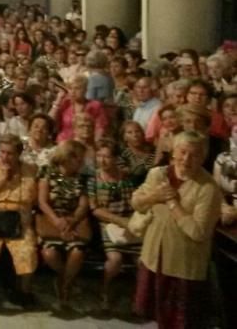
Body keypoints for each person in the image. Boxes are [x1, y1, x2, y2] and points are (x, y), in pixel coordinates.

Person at [132, 131, 223, 329]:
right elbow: (137, 203)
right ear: (173, 152)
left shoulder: (208, 188)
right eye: (182, 152)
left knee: (180, 323)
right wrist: (153, 197)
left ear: (203, 157)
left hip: (183, 268)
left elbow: (199, 232)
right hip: (154, 259)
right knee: (158, 318)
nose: (187, 159)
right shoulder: (158, 174)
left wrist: (173, 203)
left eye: (195, 154)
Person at [0, 134, 38, 308]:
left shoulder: (30, 169)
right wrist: (3, 179)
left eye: (10, 153)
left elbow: (32, 197)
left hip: (20, 218)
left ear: (18, 154)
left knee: (28, 252)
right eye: (2, 152)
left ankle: (24, 292)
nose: (5, 157)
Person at [37, 139, 91, 312]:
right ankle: (66, 278)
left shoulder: (81, 178)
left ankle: (64, 288)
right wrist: (56, 221)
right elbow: (42, 201)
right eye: (79, 158)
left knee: (77, 252)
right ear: (68, 157)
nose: (82, 162)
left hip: (73, 221)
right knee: (49, 253)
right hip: (51, 219)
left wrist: (72, 222)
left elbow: (83, 205)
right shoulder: (47, 172)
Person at [89, 138, 141, 313]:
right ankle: (105, 291)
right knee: (115, 260)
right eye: (99, 156)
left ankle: (139, 298)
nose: (102, 160)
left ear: (115, 158)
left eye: (107, 157)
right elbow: (95, 209)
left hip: (130, 222)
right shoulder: (93, 179)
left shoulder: (127, 177)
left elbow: (136, 202)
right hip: (108, 224)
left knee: (142, 262)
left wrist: (131, 221)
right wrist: (118, 221)